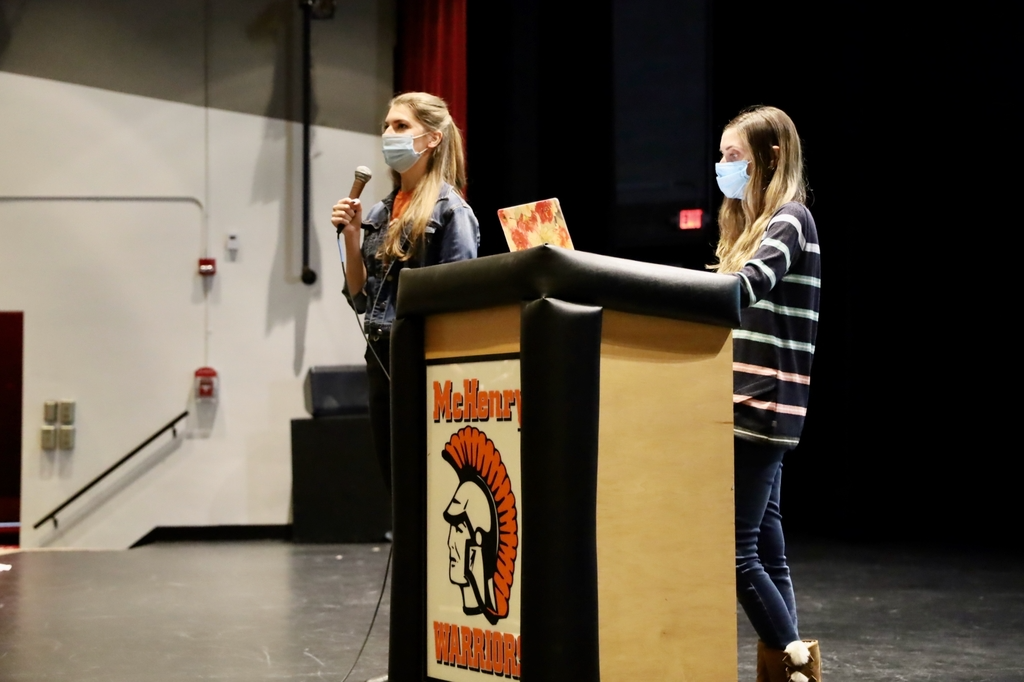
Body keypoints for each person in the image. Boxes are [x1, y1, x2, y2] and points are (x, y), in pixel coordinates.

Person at [712, 105, 822, 682]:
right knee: (767, 553)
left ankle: (798, 667)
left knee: (736, 556)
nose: (723, 167)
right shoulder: (751, 229)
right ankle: (794, 676)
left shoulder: (790, 219)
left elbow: (745, 289)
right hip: (747, 403)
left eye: (734, 156)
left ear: (770, 158)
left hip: (758, 406)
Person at [331, 92, 479, 491]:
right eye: (386, 127)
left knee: (426, 479)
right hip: (380, 352)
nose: (389, 135)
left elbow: (459, 297)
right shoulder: (378, 212)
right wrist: (349, 235)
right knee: (394, 478)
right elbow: (360, 297)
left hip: (424, 354)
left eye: (401, 126)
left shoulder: (451, 211)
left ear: (432, 139)